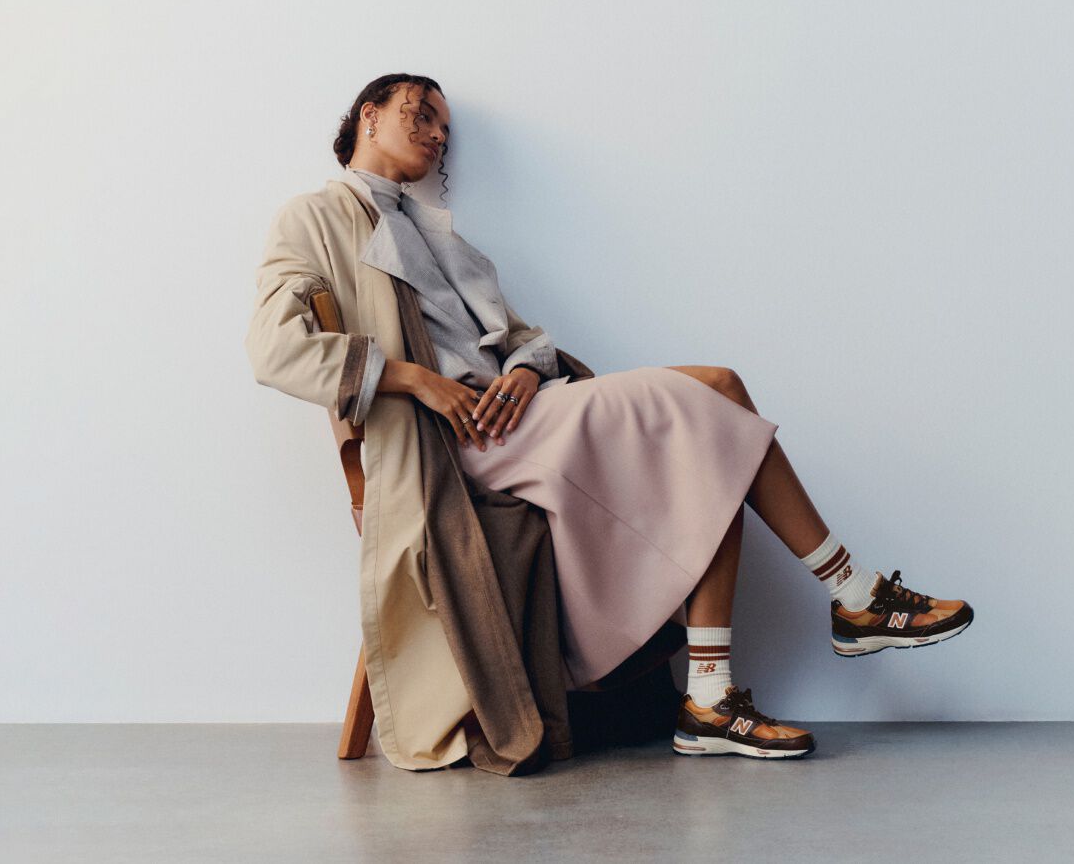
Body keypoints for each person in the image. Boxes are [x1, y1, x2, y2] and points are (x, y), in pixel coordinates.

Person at [256, 73, 974, 762]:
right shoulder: (313, 217)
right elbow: (273, 348)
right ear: (370, 114)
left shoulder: (437, 231)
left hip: (517, 418)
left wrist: (524, 370)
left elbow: (521, 336)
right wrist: (413, 379)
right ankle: (852, 598)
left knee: (712, 425)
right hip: (451, 445)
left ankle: (720, 695)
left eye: (445, 126)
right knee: (715, 394)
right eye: (421, 114)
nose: (438, 134)